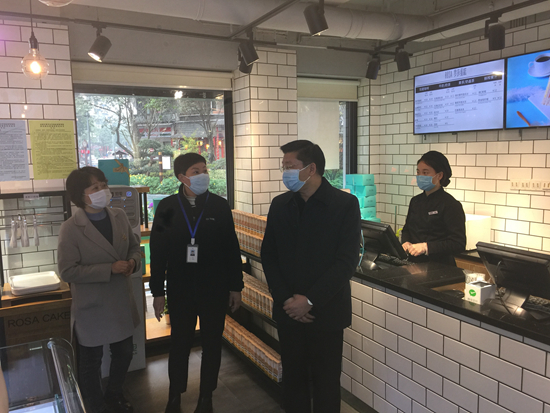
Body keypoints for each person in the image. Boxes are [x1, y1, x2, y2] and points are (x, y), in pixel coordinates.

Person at [260, 140, 361, 413]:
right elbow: (269, 255)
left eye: (290, 166)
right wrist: (286, 299)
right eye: (284, 167)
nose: (285, 173)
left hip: (326, 313)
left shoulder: (344, 204)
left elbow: (346, 262)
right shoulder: (280, 204)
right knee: (293, 381)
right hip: (289, 313)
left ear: (311, 168)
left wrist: (310, 300)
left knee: (326, 383)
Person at [149, 153, 243, 413]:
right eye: (196, 171)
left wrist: (236, 286)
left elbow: (231, 249)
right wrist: (157, 292)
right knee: (180, 342)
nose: (203, 175)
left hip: (215, 287)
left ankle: (206, 397)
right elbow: (158, 252)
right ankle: (174, 395)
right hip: (180, 288)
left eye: (205, 169)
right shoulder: (167, 207)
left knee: (212, 343)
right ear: (182, 177)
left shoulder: (219, 206)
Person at [58, 167, 141, 413]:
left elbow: (135, 248)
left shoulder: (119, 216)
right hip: (91, 307)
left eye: (103, 185)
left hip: (120, 302)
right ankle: (93, 405)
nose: (103, 190)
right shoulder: (71, 228)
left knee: (124, 352)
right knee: (90, 361)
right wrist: (109, 269)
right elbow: (67, 271)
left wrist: (133, 262)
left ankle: (114, 393)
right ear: (81, 195)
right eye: (95, 187)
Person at [401, 150, 466, 266]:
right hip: (414, 265)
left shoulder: (450, 205)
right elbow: (407, 229)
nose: (420, 176)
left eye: (425, 173)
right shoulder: (415, 201)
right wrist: (405, 242)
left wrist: (426, 247)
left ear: (439, 175)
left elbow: (458, 243)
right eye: (418, 172)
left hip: (440, 267)